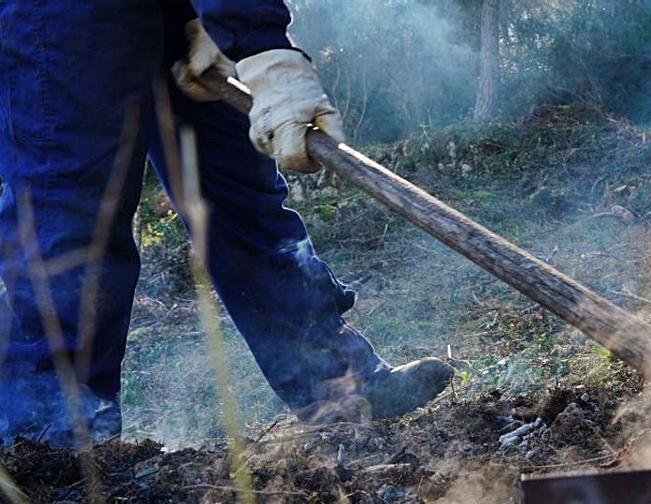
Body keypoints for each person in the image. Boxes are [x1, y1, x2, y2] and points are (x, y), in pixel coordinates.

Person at [0, 0, 453, 447]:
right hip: (62, 16)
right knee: (71, 213)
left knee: (241, 196)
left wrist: (199, 17)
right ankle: (49, 439)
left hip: (180, 14)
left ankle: (338, 385)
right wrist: (262, 45)